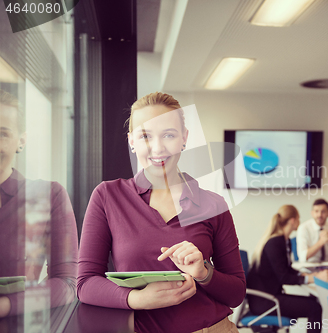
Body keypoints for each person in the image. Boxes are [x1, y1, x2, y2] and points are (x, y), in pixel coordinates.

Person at [77, 92, 245, 333]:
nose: (157, 148)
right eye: (145, 136)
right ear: (131, 141)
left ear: (184, 139)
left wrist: (204, 272)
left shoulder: (213, 204)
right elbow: (85, 284)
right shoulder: (107, 196)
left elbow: (236, 294)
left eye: (168, 134)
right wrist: (137, 300)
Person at [0, 90, 78, 318]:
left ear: (21, 140)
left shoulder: (49, 195)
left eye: (2, 134)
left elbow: (67, 284)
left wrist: (4, 306)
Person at [247, 205, 328, 333]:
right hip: (265, 301)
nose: (299, 222)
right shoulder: (275, 242)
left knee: (313, 301)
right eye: (298, 218)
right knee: (315, 308)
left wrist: (304, 274)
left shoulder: (285, 241)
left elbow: (286, 268)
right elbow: (283, 277)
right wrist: (311, 279)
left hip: (270, 296)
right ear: (292, 220)